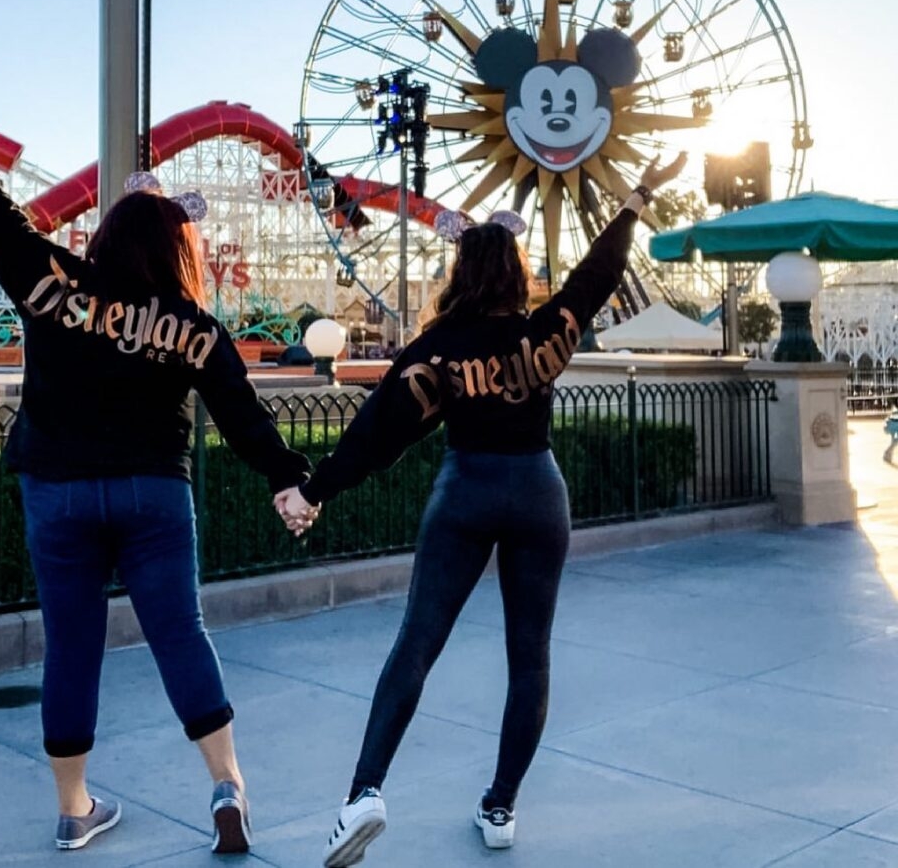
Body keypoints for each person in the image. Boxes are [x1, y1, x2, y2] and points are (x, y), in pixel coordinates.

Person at [0, 56, 317, 855]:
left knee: (72, 646)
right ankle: (228, 784)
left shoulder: (56, 281)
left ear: (106, 234)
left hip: (57, 490)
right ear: (178, 248)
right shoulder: (197, 327)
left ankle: (75, 808)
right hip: (155, 493)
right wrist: (292, 481)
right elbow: (246, 420)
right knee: (181, 634)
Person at [276, 152, 688, 867]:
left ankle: (364, 794)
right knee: (529, 659)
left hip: (466, 491)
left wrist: (314, 491)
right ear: (515, 273)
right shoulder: (545, 333)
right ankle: (500, 803)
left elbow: (379, 433)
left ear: (461, 273)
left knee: (417, 644)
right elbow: (598, 272)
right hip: (538, 489)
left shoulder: (437, 349)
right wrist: (640, 195)